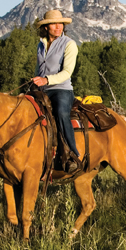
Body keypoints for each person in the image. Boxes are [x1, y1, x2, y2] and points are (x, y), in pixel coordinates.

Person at [32, 9, 79, 173]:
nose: (58, 27)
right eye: (54, 24)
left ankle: (71, 155)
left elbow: (67, 72)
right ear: (46, 27)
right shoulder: (41, 44)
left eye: (61, 24)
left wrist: (47, 80)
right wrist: (35, 81)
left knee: (60, 113)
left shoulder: (69, 44)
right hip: (42, 89)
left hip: (61, 89)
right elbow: (39, 69)